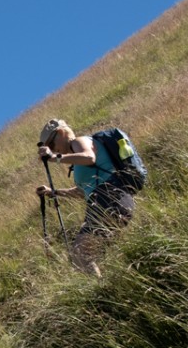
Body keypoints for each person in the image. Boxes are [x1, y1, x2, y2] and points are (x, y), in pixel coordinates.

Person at [35, 118, 136, 276]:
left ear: (61, 133)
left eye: (52, 145)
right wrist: (53, 192)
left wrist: (55, 158)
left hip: (108, 198)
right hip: (108, 200)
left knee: (79, 255)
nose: (53, 151)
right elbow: (82, 192)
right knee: (82, 255)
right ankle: (107, 289)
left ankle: (101, 296)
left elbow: (89, 157)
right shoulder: (76, 158)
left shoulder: (78, 142)